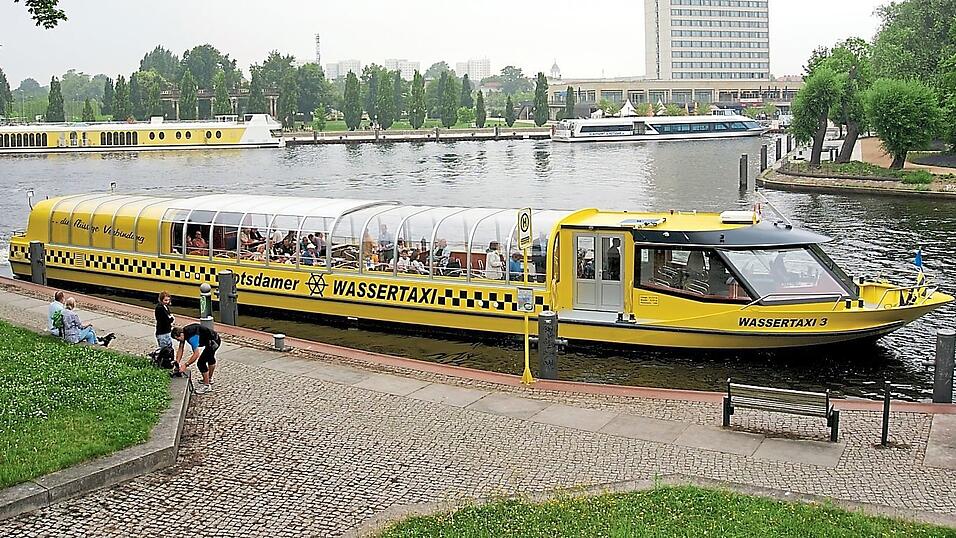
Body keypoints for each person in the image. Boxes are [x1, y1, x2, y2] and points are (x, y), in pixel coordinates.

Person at [172, 323, 221, 394]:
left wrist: (185, 365)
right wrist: (177, 362)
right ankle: (209, 379)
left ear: (181, 334)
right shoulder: (184, 332)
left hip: (214, 341)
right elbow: (180, 349)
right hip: (211, 340)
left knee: (201, 363)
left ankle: (207, 386)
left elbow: (196, 354)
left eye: (177, 339)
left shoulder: (192, 337)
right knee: (210, 358)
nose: (178, 341)